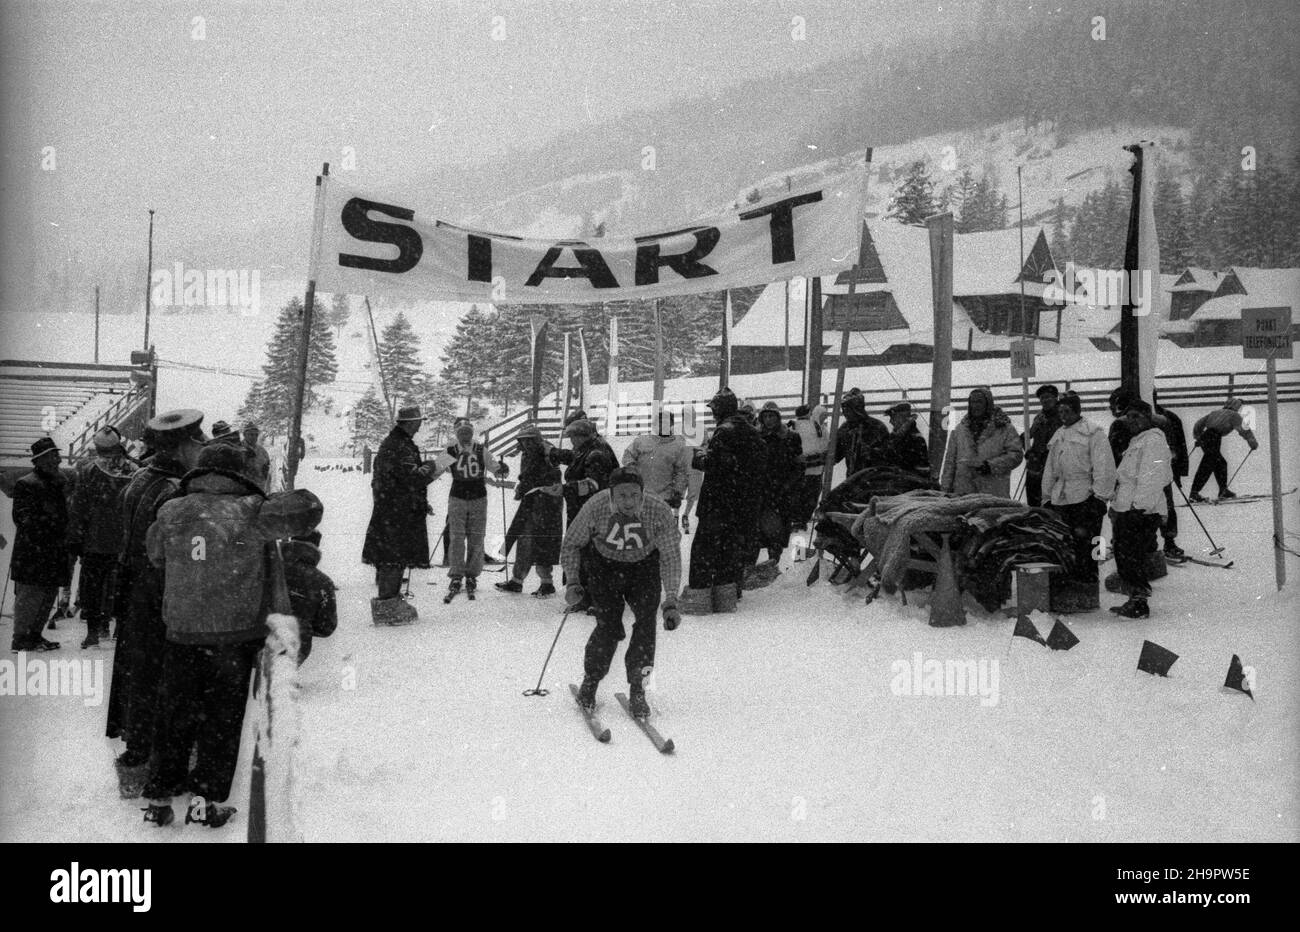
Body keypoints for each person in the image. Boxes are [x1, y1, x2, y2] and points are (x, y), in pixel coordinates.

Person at [139, 444, 316, 826]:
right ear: (237, 474)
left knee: (174, 716)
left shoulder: (170, 512)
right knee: (220, 721)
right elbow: (309, 511)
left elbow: (155, 555)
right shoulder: (252, 511)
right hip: (232, 636)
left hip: (182, 632)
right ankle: (204, 804)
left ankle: (160, 799)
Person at [107, 409, 206, 790]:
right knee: (162, 681)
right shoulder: (174, 490)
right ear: (182, 445)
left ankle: (136, 753)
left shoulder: (141, 479)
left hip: (135, 592)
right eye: (196, 441)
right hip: (161, 594)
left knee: (137, 676)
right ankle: (157, 764)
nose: (200, 448)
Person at [563, 467, 681, 718]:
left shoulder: (658, 510)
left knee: (646, 625)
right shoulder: (595, 507)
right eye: (622, 496)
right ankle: (591, 681)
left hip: (643, 568)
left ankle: (638, 688)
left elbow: (670, 556)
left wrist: (671, 598)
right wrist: (573, 580)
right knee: (608, 627)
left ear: (642, 494)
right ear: (611, 495)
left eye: (634, 495)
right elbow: (572, 543)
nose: (628, 502)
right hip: (605, 568)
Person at [680, 387, 762, 615]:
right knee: (730, 552)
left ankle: (699, 599)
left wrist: (700, 457)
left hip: (718, 502)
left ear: (720, 409)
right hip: (741, 504)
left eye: (714, 409)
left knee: (704, 553)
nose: (713, 413)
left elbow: (718, 464)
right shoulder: (753, 431)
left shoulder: (724, 431)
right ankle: (726, 598)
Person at [362, 405, 438, 625]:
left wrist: (420, 499)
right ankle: (386, 606)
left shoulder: (397, 443)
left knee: (394, 558)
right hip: (396, 512)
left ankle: (391, 601)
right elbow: (410, 478)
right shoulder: (399, 446)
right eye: (419, 421)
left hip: (395, 509)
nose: (420, 425)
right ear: (411, 422)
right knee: (392, 559)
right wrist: (430, 468)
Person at [1040, 391, 1116, 604]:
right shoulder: (1059, 435)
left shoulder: (1093, 433)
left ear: (1077, 410)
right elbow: (1050, 469)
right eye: (1060, 411)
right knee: (1064, 546)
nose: (1063, 415)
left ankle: (1088, 589)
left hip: (1085, 496)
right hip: (1061, 498)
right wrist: (1046, 496)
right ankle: (1066, 588)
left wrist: (1100, 498)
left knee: (1090, 546)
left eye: (1067, 411)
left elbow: (1104, 467)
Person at [67, 426, 137, 648]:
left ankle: (93, 633)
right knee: (121, 586)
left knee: (92, 587)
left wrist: (75, 536)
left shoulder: (87, 469)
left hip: (94, 538)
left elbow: (78, 506)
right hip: (124, 538)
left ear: (97, 447)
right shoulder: (134, 469)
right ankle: (117, 628)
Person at [1108, 400, 1173, 619]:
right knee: (1125, 554)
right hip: (1127, 506)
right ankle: (1134, 598)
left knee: (1132, 555)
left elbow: (1152, 478)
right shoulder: (1137, 440)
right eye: (1129, 417)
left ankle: (1139, 602)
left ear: (1147, 418)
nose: (1132, 421)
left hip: (1141, 510)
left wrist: (1138, 508)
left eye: (1137, 416)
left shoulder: (1153, 441)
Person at [9, 438, 70, 652]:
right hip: (32, 552)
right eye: (54, 456)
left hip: (53, 550)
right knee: (29, 597)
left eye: (57, 455)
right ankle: (20, 638)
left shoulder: (60, 481)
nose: (58, 460)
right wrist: (49, 522)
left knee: (48, 595)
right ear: (41, 460)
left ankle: (35, 635)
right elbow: (21, 518)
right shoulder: (26, 483)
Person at [441, 417, 508, 601]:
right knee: (456, 536)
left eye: (468, 433)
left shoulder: (480, 450)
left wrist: (502, 469)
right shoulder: (451, 450)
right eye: (462, 433)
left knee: (476, 536)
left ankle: (472, 574)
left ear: (472, 433)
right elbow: (437, 469)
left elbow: (494, 467)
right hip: (458, 497)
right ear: (457, 434)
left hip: (478, 496)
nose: (465, 436)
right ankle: (456, 574)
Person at [496, 422, 563, 597]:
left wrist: (538, 485)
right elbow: (527, 475)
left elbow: (555, 475)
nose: (526, 444)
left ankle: (546, 582)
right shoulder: (527, 454)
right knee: (524, 539)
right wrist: (522, 486)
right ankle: (517, 580)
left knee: (543, 541)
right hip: (531, 502)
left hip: (547, 503)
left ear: (536, 439)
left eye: (529, 440)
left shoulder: (548, 451)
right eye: (523, 441)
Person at [746, 401, 802, 584]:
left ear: (778, 417)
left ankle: (773, 564)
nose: (769, 420)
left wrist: (789, 485)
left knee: (776, 533)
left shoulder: (791, 438)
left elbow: (799, 465)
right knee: (754, 533)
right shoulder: (755, 437)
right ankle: (750, 568)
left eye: (772, 416)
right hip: (760, 492)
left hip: (781, 493)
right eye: (766, 416)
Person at [939, 387, 1024, 496]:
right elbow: (950, 463)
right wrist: (945, 491)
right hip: (963, 493)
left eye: (979, 401)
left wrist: (990, 466)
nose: (975, 405)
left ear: (988, 404)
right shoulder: (959, 430)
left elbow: (1016, 455)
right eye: (972, 402)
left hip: (993, 492)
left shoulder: (1005, 429)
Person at [281, 526, 338, 666]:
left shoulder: (267, 569)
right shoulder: (322, 581)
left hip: (250, 636)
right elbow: (326, 626)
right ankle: (283, 675)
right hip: (295, 638)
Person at [621, 407, 692, 516]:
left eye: (666, 422)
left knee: (661, 530)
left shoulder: (679, 446)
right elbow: (628, 455)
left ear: (672, 424)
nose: (663, 425)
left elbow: (681, 472)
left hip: (663, 498)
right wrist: (631, 469)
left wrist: (678, 492)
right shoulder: (642, 441)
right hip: (639, 495)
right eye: (660, 422)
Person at [1189, 397, 1259, 502]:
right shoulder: (1234, 415)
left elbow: (1198, 424)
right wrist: (1252, 443)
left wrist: (1198, 437)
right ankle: (1195, 493)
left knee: (1220, 463)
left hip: (1206, 437)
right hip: (1214, 437)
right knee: (1208, 464)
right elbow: (1244, 430)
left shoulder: (1215, 412)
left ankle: (1222, 490)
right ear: (1236, 407)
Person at [551, 418, 617, 524]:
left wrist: (565, 489)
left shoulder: (595, 454)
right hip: (582, 508)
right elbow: (573, 457)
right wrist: (553, 453)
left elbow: (593, 484)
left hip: (589, 512)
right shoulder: (587, 448)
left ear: (580, 437)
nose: (571, 441)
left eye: (572, 437)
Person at [1151, 389, 1188, 561]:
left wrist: (1179, 472)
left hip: (1162, 470)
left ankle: (1169, 540)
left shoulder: (1168, 418)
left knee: (1167, 506)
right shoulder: (1129, 418)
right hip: (1137, 473)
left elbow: (1178, 446)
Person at [789, 403, 829, 528]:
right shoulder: (816, 426)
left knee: (798, 495)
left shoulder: (792, 426)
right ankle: (802, 520)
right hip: (815, 468)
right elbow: (825, 443)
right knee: (810, 497)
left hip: (800, 469)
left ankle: (797, 519)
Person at [1022, 384, 1062, 507]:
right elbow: (1029, 435)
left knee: (1052, 503)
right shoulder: (1039, 418)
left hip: (1055, 467)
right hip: (1036, 467)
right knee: (1035, 504)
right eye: (1043, 398)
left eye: (1049, 397)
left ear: (1056, 398)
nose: (1045, 400)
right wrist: (1028, 449)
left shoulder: (1063, 416)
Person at [836, 388, 890, 476]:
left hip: (875, 479)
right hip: (853, 479)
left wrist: (871, 453)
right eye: (843, 409)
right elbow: (835, 455)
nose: (845, 413)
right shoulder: (845, 429)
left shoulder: (877, 427)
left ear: (857, 409)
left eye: (847, 409)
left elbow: (888, 455)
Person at [880, 401, 930, 476]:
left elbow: (920, 471)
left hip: (907, 483)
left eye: (892, 417)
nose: (890, 422)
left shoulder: (915, 440)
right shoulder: (896, 437)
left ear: (901, 418)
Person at [243, 423, 272, 491]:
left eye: (256, 435)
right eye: (251, 434)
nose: (254, 437)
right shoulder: (237, 449)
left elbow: (267, 473)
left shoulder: (262, 451)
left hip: (259, 488)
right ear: (244, 435)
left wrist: (267, 488)